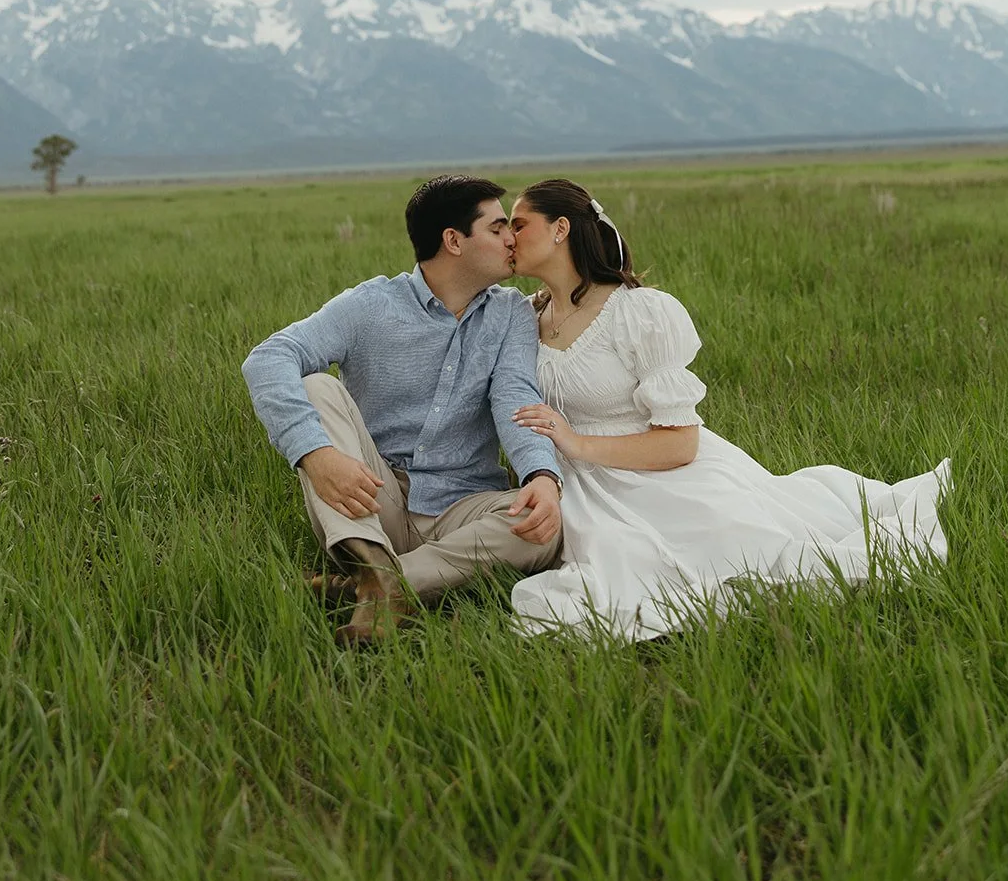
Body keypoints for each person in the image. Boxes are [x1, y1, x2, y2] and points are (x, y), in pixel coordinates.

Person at [508, 178, 950, 640]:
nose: (508, 237)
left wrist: (577, 443)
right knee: (611, 559)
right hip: (568, 483)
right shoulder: (520, 317)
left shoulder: (639, 314)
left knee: (732, 546)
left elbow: (680, 443)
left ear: (560, 229)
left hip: (655, 470)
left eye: (519, 224)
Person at [242, 175, 563, 646]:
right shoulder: (371, 304)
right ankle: (373, 565)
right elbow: (268, 358)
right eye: (497, 229)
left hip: (465, 506)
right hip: (373, 497)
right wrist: (316, 456)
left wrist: (541, 475)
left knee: (541, 528)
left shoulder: (511, 313)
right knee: (315, 386)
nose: (512, 238)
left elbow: (516, 396)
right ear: (453, 240)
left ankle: (376, 587)